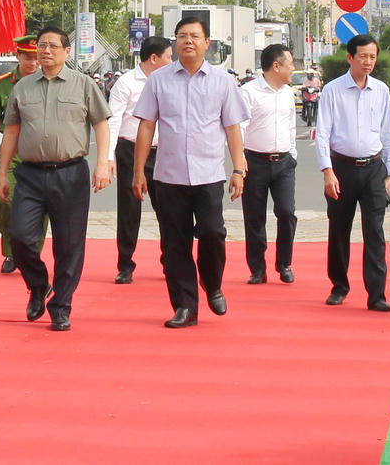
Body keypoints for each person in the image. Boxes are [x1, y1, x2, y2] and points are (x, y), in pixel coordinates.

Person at [132, 17, 247, 328]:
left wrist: (238, 168)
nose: (189, 41)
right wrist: (138, 171)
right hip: (168, 176)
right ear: (175, 42)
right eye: (182, 36)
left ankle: (213, 283)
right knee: (174, 243)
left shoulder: (223, 81)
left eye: (195, 36)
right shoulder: (159, 80)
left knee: (213, 233)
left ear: (207, 43)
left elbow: (232, 127)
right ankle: (185, 306)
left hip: (209, 173)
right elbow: (146, 125)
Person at [0, 26, 111, 332]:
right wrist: (1, 173)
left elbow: (101, 124)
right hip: (31, 175)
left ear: (66, 52)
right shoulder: (22, 87)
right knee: (19, 236)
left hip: (71, 174)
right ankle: (37, 284)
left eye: (52, 46)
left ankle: (61, 306)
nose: (46, 51)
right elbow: (11, 132)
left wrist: (103, 163)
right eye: (42, 46)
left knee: (69, 245)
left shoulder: (84, 85)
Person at [316, 34, 390, 311]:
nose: (368, 62)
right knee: (339, 229)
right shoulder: (333, 90)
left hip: (374, 168)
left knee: (375, 231)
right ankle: (339, 285)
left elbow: (387, 132)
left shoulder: (381, 90)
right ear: (350, 58)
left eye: (373, 56)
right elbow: (323, 133)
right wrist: (327, 171)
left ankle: (377, 294)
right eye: (363, 56)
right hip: (342, 168)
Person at [106, 35, 174, 284]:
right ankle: (125, 265)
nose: (172, 61)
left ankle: (170, 262)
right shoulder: (126, 83)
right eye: (169, 56)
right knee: (129, 211)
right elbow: (112, 121)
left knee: (167, 211)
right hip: (130, 151)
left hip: (162, 152)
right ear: (154, 58)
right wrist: (107, 156)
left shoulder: (171, 82)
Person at [0, 34, 45, 274]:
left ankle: (31, 253)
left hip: (40, 153)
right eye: (27, 58)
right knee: (3, 200)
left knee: (41, 207)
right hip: (12, 154)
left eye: (35, 58)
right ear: (18, 56)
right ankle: (11, 252)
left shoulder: (48, 81)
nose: (32, 63)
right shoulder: (4, 84)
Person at [240, 43, 299, 285]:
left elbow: (292, 126)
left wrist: (293, 154)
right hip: (254, 161)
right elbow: (238, 128)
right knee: (254, 217)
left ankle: (284, 263)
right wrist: (239, 160)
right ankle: (257, 268)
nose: (293, 68)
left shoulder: (287, 92)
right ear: (276, 66)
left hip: (284, 162)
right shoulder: (249, 92)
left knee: (286, 212)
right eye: (290, 64)